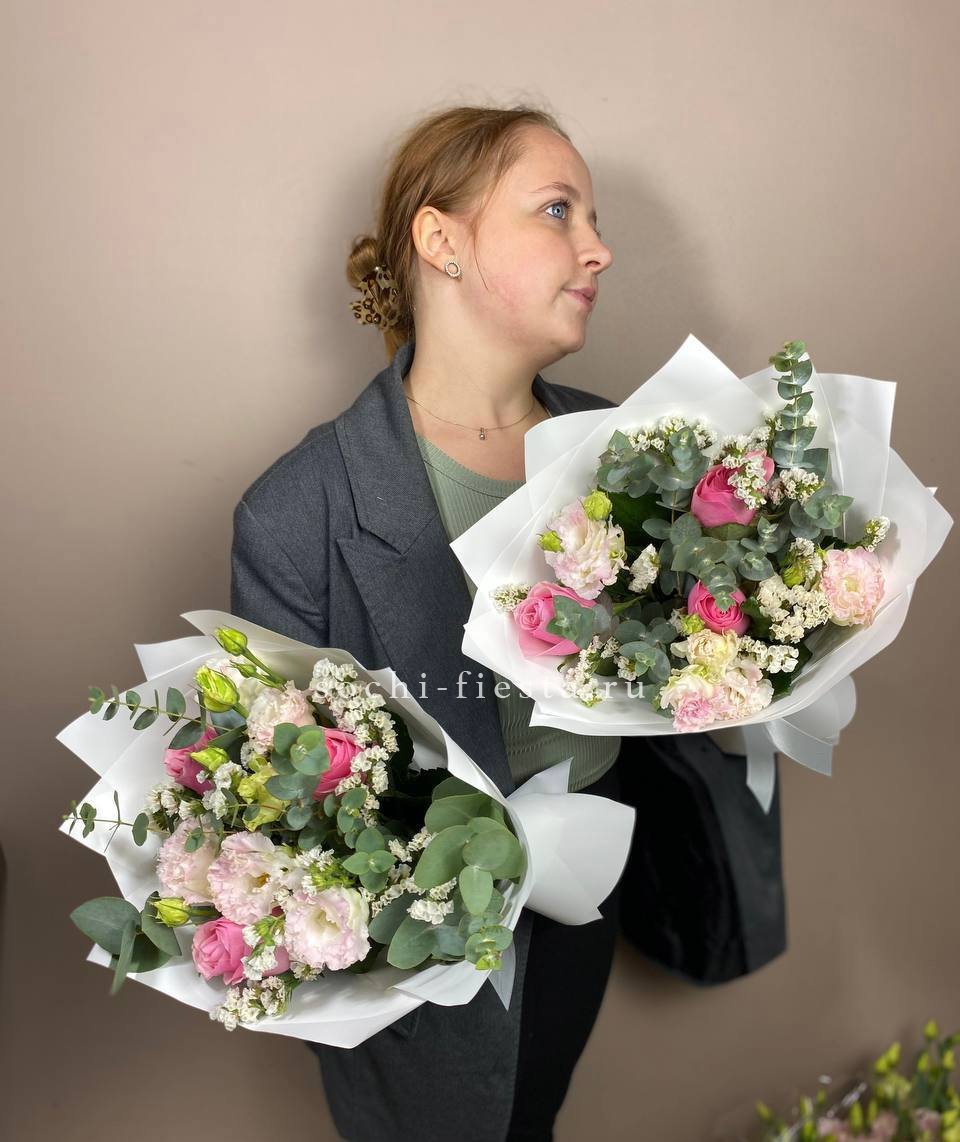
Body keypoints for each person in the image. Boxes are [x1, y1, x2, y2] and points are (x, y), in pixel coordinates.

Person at [230, 103, 786, 1142]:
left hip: (588, 908)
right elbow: (281, 821)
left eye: (594, 218)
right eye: (558, 210)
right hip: (417, 968)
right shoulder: (295, 512)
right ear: (441, 239)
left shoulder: (630, 452)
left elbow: (684, 676)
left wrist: (769, 649)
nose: (598, 248)